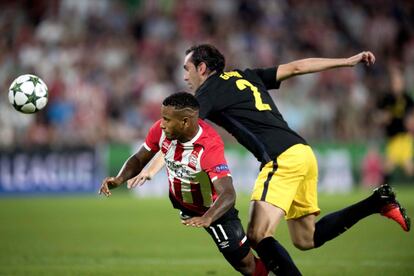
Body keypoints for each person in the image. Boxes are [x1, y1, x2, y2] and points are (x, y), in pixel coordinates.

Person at [134, 44, 411, 275]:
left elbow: (180, 135)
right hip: (302, 152)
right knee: (306, 238)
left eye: (187, 68)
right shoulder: (246, 76)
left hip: (282, 159)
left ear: (202, 68)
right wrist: (346, 61)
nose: (185, 76)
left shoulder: (207, 91)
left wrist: (152, 168)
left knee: (257, 234)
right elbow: (296, 68)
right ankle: (378, 201)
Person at [99, 92, 267, 276]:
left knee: (245, 265)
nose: (161, 124)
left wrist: (208, 217)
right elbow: (139, 158)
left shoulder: (208, 146)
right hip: (188, 205)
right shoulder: (161, 130)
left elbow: (228, 193)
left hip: (214, 210)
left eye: (167, 119)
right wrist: (119, 178)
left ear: (185, 122)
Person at [377, 64, 414, 184]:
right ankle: (385, 193)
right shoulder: (386, 98)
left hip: (404, 137)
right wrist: (383, 117)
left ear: (402, 83)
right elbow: (377, 116)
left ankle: (384, 193)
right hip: (392, 138)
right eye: (394, 82)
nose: (396, 84)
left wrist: (410, 121)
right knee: (405, 168)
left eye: (398, 81)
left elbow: (411, 117)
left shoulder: (407, 99)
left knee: (389, 166)